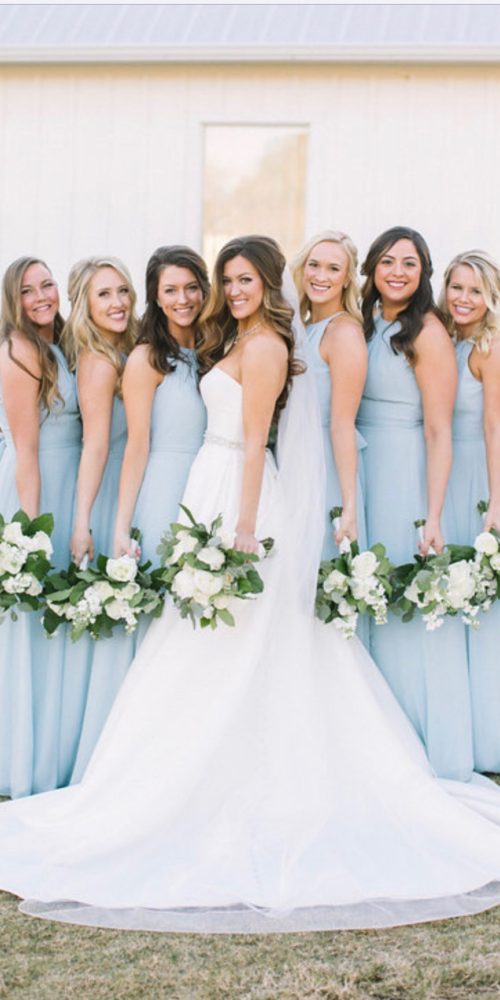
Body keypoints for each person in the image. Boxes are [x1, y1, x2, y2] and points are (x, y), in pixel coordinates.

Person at [1, 236, 500, 935]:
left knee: (247, 639)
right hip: (208, 487)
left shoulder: (265, 346)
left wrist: (241, 530)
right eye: (228, 280)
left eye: (245, 280)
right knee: (202, 647)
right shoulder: (231, 339)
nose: (234, 290)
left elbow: (258, 441)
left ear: (267, 283)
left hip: (240, 501)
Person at [356, 227, 474, 781]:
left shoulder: (427, 331)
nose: (397, 271)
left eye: (409, 263)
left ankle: (426, 745)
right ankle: (372, 737)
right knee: (363, 593)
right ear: (372, 268)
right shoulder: (361, 322)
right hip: (361, 469)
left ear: (424, 271)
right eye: (387, 261)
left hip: (403, 471)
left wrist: (434, 514)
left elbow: (439, 429)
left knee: (407, 600)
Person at [0, 257, 81, 797]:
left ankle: (53, 748)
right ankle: (19, 758)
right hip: (38, 487)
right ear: (14, 301)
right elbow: (25, 448)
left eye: (47, 285)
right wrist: (31, 532)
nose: (41, 297)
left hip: (69, 481)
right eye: (27, 291)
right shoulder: (19, 350)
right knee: (30, 622)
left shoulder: (62, 345)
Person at [60, 257, 138, 784]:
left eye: (122, 291)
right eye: (104, 295)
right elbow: (95, 445)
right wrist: (83, 520)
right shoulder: (98, 360)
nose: (117, 303)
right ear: (84, 306)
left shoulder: (128, 348)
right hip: (108, 492)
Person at [439, 250, 500, 773]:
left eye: (475, 291)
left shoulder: (488, 347)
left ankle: (488, 739)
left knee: (478, 608)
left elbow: (494, 428)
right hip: (443, 471)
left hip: (476, 475)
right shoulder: (444, 338)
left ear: (491, 298)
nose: (463, 299)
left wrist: (496, 501)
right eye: (456, 287)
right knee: (450, 599)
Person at [113, 245, 208, 568]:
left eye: (191, 287)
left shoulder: (217, 353)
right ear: (155, 296)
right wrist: (122, 526)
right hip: (166, 487)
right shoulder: (146, 358)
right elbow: (137, 444)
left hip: (213, 484)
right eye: (170, 290)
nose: (183, 299)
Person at [292, 231, 368, 556]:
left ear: (347, 278)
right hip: (295, 458)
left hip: (326, 466)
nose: (321, 276)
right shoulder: (302, 328)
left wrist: (348, 505)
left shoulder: (344, 332)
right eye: (314, 265)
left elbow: (342, 423)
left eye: (333, 268)